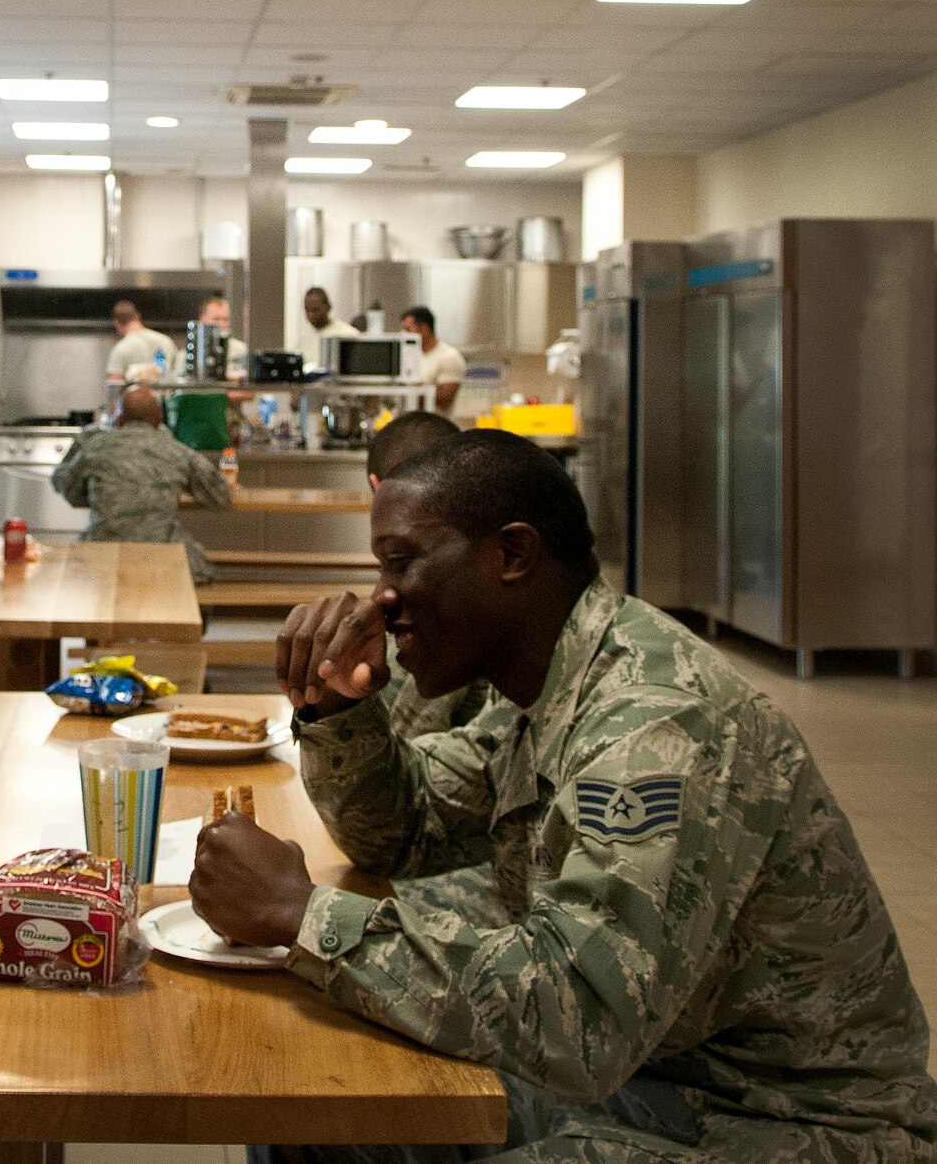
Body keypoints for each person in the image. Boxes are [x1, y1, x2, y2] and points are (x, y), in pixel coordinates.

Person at [190, 429, 937, 1163]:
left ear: (511, 555)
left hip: (786, 1120)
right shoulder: (540, 692)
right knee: (317, 1103)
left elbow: (581, 1018)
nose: (382, 602)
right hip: (655, 1081)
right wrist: (338, 709)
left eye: (403, 562)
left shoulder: (656, 722)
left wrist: (304, 913)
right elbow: (406, 830)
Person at [361, 411, 482, 740]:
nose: (380, 594)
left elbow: (394, 755)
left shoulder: (444, 604)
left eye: (400, 560)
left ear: (378, 487)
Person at [51, 385, 231, 585]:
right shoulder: (177, 451)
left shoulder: (95, 446)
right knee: (203, 574)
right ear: (159, 419)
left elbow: (66, 488)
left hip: (103, 554)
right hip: (161, 554)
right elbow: (221, 498)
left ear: (118, 420)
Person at [402, 304, 467, 416]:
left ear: (423, 329)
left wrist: (415, 388)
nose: (404, 335)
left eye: (408, 330)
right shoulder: (412, 357)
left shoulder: (449, 357)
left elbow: (445, 400)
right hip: (412, 427)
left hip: (437, 429)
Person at [105, 299, 175, 383]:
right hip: (165, 396)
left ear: (116, 323)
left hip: (135, 396)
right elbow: (178, 374)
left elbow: (114, 385)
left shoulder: (120, 349)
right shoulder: (166, 341)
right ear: (138, 316)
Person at [295, 287, 360, 371]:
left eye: (315, 310)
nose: (310, 315)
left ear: (328, 307)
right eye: (307, 310)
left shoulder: (347, 334)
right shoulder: (303, 338)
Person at [196, 295, 249, 382]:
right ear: (203, 319)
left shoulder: (242, 350)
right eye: (216, 319)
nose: (221, 324)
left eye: (225, 319)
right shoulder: (190, 352)